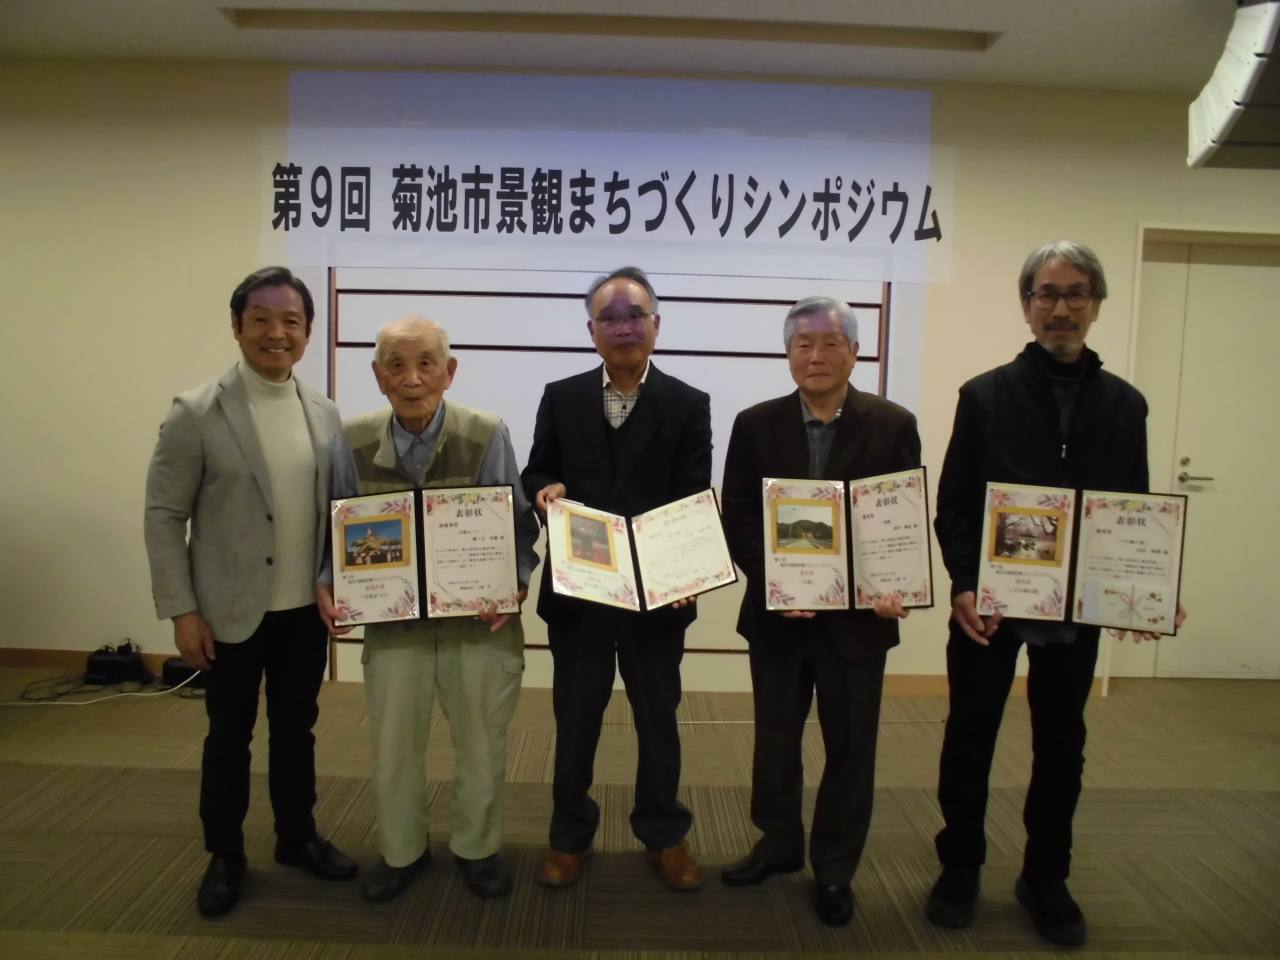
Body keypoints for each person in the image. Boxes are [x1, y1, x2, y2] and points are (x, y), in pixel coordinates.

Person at [927, 240, 1186, 946]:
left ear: (1096, 305)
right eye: (1047, 293)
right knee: (970, 736)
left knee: (1062, 744)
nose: (1061, 308)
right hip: (989, 608)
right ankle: (960, 866)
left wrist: (1146, 589)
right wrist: (963, 585)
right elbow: (955, 506)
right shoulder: (983, 396)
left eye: (1076, 293)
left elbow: (1133, 511)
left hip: (1078, 609)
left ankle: (1046, 876)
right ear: (1027, 305)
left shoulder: (1126, 405)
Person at [144, 266, 356, 918]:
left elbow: (337, 512)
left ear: (308, 332)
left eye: (291, 321)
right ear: (237, 326)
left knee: (297, 730)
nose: (276, 333)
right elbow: (163, 515)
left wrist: (342, 585)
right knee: (228, 736)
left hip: (303, 611)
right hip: (228, 611)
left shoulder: (324, 412)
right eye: (261, 319)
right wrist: (182, 610)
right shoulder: (196, 411)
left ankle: (296, 837)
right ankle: (225, 854)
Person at [316, 316, 538, 902]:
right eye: (396, 365)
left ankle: (477, 849)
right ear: (378, 376)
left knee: (482, 743)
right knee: (393, 746)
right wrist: (327, 583)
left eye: (425, 364)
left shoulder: (486, 432)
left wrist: (514, 583)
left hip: (478, 624)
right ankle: (402, 852)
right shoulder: (351, 439)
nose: (412, 378)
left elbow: (517, 523)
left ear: (449, 371)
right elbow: (335, 526)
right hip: (394, 625)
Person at [719, 296, 922, 926]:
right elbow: (739, 517)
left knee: (851, 748)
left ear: (854, 352)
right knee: (775, 741)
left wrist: (896, 583)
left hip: (859, 624)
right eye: (803, 344)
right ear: (787, 354)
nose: (817, 356)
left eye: (831, 343)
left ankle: (835, 869)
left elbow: (900, 517)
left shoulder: (892, 424)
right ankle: (778, 844)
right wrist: (777, 582)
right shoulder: (755, 424)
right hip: (779, 619)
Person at [521, 266, 711, 891]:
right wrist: (543, 489)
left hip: (657, 596)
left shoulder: (688, 403)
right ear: (591, 330)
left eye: (635, 316)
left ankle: (664, 835)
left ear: (656, 325)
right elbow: (536, 470)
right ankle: (569, 838)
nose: (624, 327)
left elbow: (692, 498)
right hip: (579, 593)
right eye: (610, 317)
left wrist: (687, 571)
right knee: (576, 720)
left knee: (659, 719)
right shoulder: (561, 395)